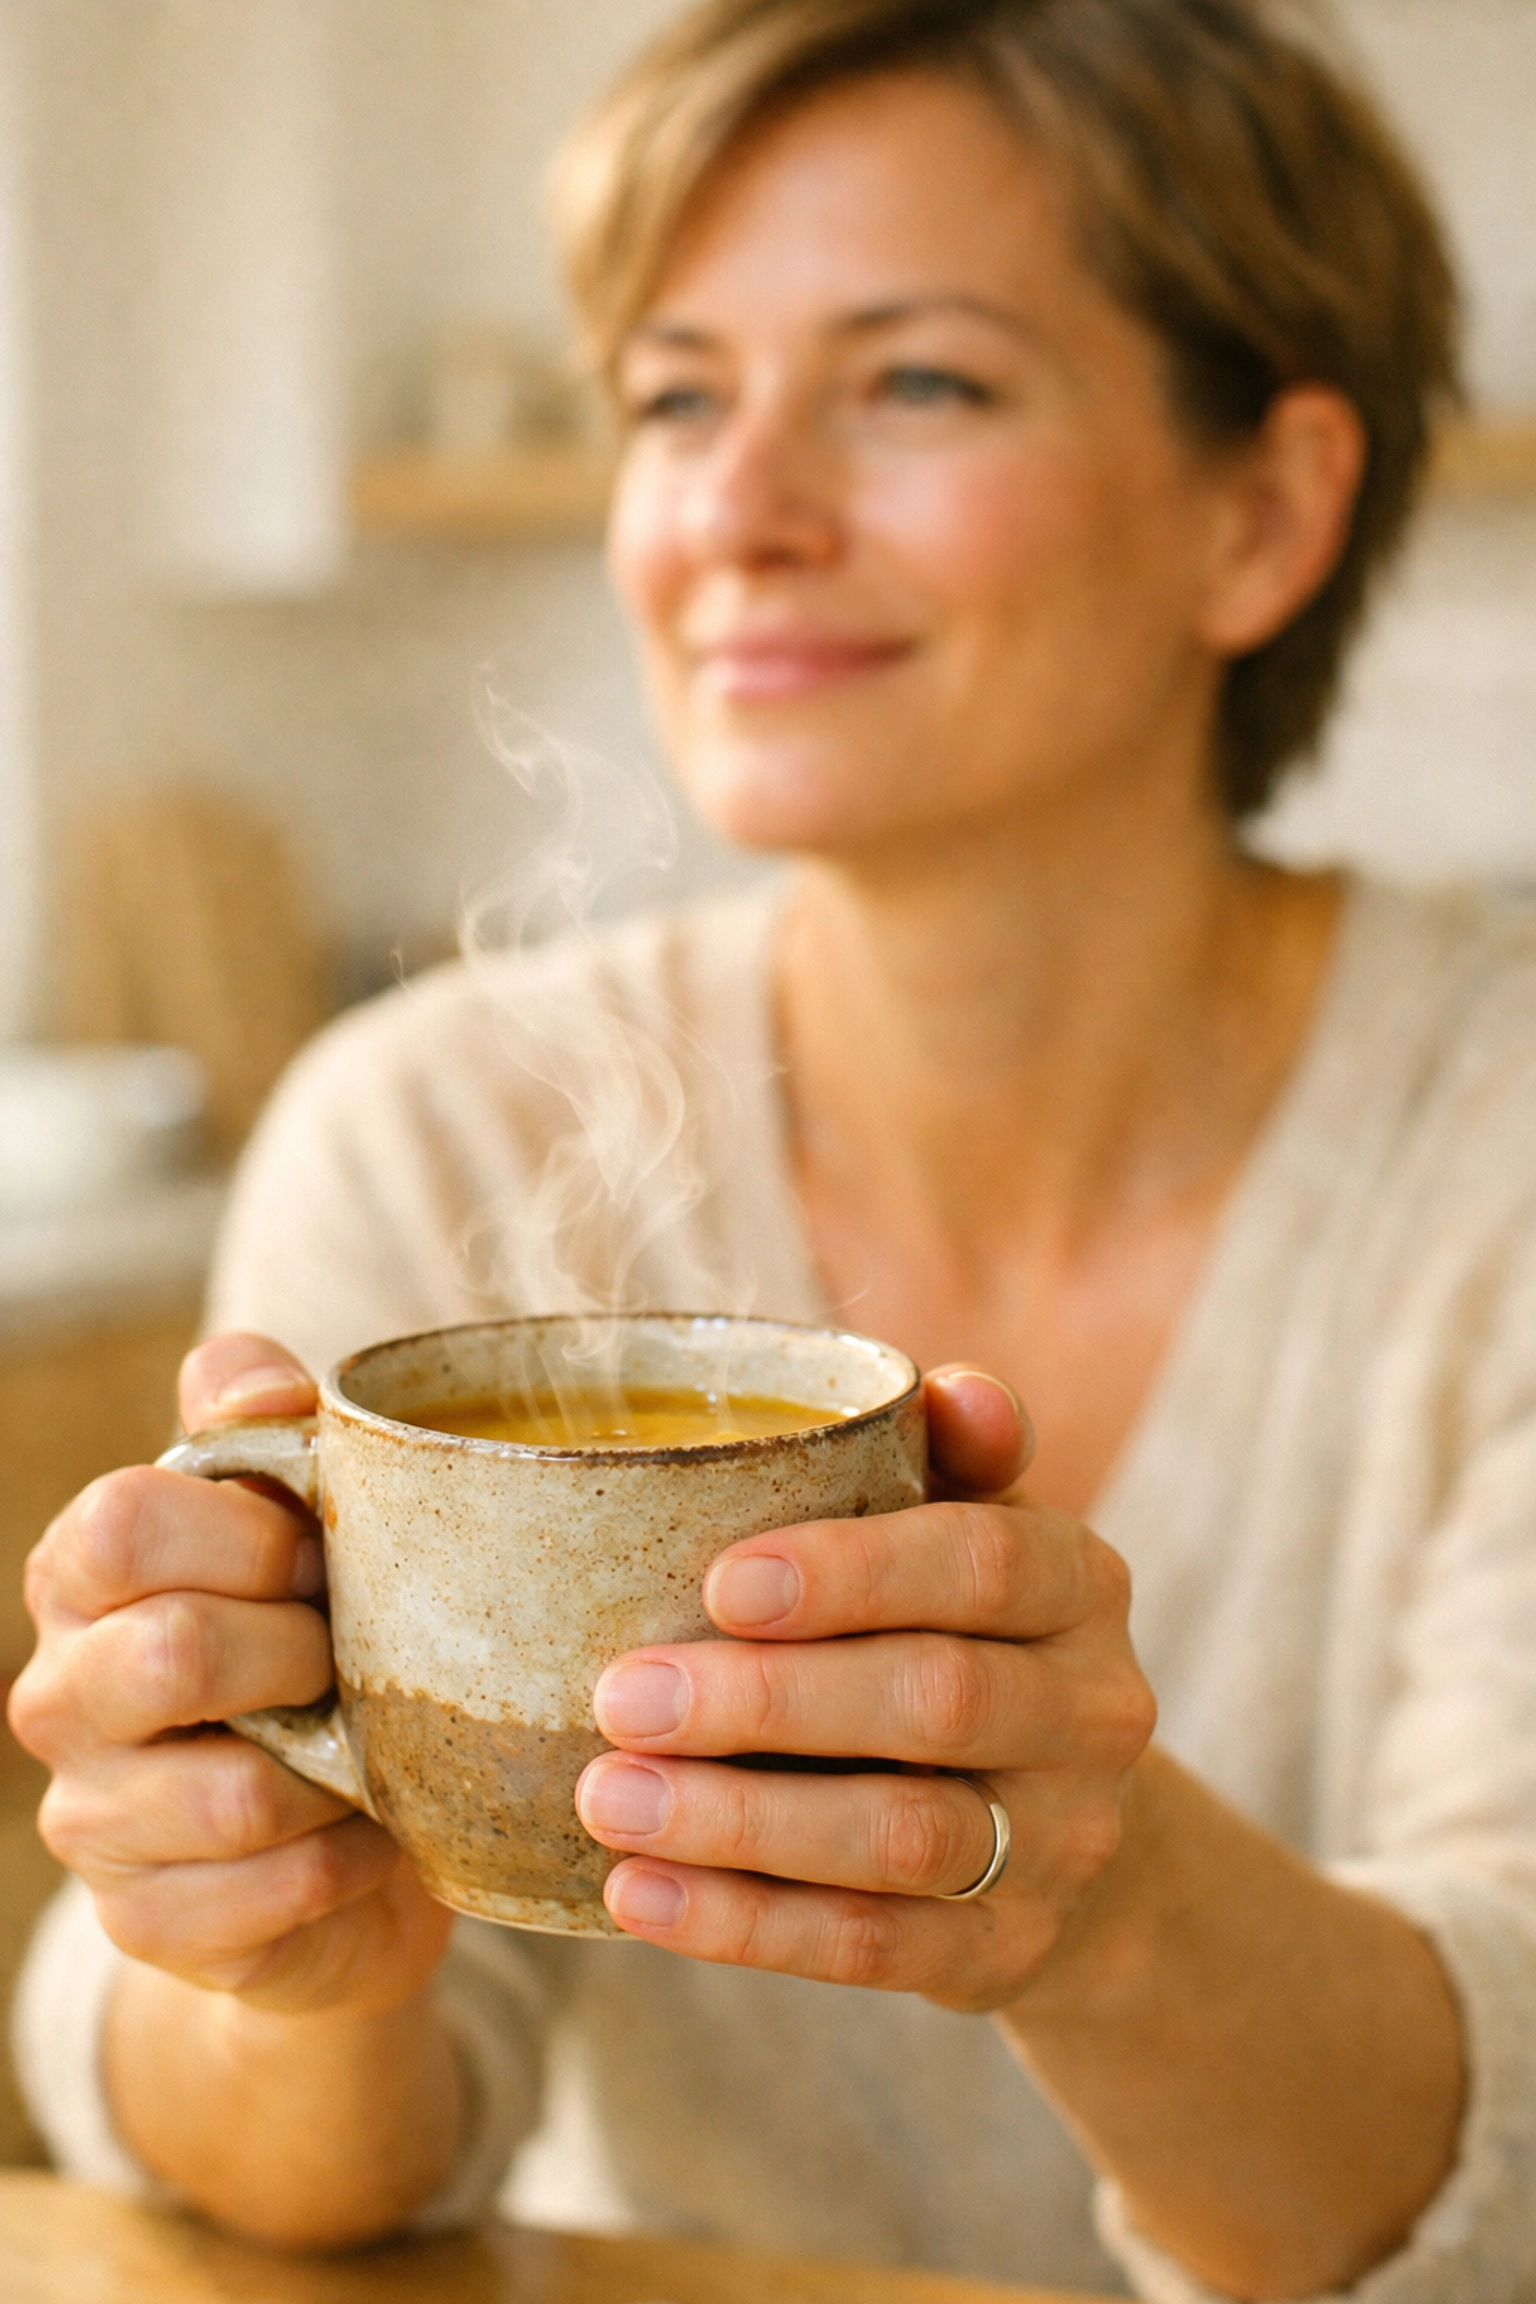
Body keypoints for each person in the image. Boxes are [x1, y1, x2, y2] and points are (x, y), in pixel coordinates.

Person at [11, 0, 1536, 2295]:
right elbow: (305, 2185)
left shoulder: (1496, 1147)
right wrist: (285, 1959)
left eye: (919, 382)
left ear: (1267, 509)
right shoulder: (438, 1128)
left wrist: (1092, 1908)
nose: (735, 511)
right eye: (675, 396)